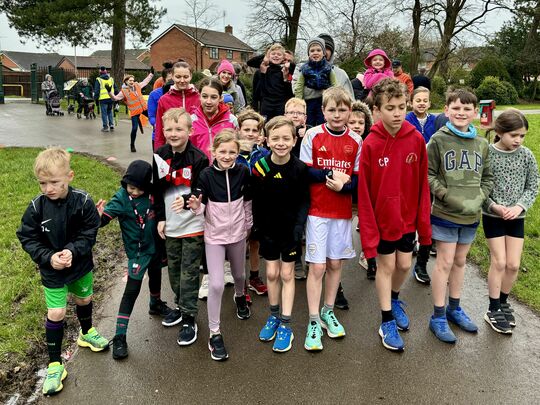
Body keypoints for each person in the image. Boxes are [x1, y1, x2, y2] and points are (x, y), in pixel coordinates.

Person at [17, 147, 108, 395]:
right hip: (52, 270)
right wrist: (48, 257)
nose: (48, 188)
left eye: (54, 182)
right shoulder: (36, 207)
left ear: (70, 176)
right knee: (56, 312)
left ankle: (86, 332)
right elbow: (26, 237)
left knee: (84, 299)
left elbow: (90, 231)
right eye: (42, 183)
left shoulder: (83, 201)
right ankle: (55, 363)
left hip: (79, 265)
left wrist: (72, 251)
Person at [357, 79, 431, 352]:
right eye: (390, 108)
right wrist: (368, 234)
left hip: (407, 221)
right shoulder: (371, 144)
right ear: (377, 110)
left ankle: (395, 298)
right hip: (382, 222)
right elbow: (364, 194)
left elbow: (423, 187)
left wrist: (424, 230)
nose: (397, 113)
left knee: (403, 266)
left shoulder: (416, 139)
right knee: (386, 268)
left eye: (402, 107)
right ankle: (386, 319)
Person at [427, 89, 493, 344]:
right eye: (456, 108)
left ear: (475, 113)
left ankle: (455, 308)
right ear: (446, 111)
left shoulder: (482, 144)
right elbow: (429, 174)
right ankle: (438, 315)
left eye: (467, 109)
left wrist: (480, 197)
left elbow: (487, 178)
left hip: (471, 215)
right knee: (444, 262)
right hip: (445, 213)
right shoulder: (438, 140)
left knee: (460, 262)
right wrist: (446, 195)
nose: (461, 113)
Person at [300, 87, 362, 351]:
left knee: (335, 264)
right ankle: (313, 320)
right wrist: (329, 175)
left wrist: (345, 188)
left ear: (350, 111)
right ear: (323, 110)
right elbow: (303, 170)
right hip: (317, 212)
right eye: (331, 110)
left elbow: (358, 179)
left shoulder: (357, 140)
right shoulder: (313, 136)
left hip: (342, 213)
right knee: (317, 267)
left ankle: (327, 311)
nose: (337, 115)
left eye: (342, 110)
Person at [96, 160, 172, 359]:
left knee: (156, 274)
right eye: (131, 188)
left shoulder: (153, 194)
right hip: (137, 253)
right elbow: (103, 220)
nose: (135, 192)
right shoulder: (121, 198)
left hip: (156, 247)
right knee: (132, 290)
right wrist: (98, 217)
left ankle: (155, 303)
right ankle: (120, 335)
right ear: (125, 184)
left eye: (140, 189)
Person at [187, 129, 252, 361]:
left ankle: (240, 296)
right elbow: (200, 204)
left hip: (237, 234)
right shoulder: (205, 175)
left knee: (239, 275)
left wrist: (248, 226)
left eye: (232, 152)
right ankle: (215, 333)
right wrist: (195, 206)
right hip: (214, 237)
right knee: (215, 285)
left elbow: (247, 201)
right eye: (222, 151)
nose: (227, 156)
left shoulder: (244, 172)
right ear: (213, 151)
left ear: (238, 152)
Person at [252, 116, 310, 353]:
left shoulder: (300, 169)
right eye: (275, 138)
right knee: (272, 273)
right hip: (268, 232)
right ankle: (273, 316)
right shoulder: (260, 167)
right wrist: (258, 229)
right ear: (266, 140)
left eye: (286, 138)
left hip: (290, 233)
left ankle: (286, 324)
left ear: (295, 140)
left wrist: (298, 228)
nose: (281, 142)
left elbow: (304, 201)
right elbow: (256, 200)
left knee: (287, 274)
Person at [153, 108, 209, 345]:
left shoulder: (199, 158)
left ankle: (189, 316)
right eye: (169, 129)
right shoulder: (159, 154)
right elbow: (157, 189)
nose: (173, 133)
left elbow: (201, 189)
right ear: (163, 130)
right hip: (171, 225)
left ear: (190, 130)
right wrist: (160, 218)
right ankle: (179, 304)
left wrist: (188, 201)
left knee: (189, 271)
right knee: (174, 270)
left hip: (193, 225)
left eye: (179, 129)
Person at [483, 109, 538, 334]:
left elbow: (533, 184)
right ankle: (493, 308)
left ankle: (504, 302)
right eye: (513, 135)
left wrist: (519, 207)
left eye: (522, 135)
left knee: (513, 264)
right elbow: (480, 186)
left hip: (517, 216)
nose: (518, 140)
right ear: (499, 131)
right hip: (493, 215)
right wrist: (494, 205)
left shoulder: (526, 155)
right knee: (499, 262)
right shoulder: (487, 153)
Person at [235, 109, 269, 298]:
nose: (250, 133)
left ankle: (255, 277)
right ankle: (242, 285)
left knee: (255, 243)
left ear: (260, 133)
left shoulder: (264, 154)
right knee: (240, 245)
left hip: (259, 205)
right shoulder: (231, 153)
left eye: (254, 130)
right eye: (246, 129)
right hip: (237, 206)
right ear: (239, 130)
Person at [406, 86, 438, 285]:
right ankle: (409, 245)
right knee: (410, 215)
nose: (422, 103)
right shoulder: (407, 119)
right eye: (418, 99)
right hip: (410, 174)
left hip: (431, 175)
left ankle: (422, 262)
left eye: (425, 100)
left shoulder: (435, 121)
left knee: (427, 218)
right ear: (411, 102)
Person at [347, 100, 373, 277]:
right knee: (343, 226)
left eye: (360, 123)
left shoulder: (369, 142)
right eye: (352, 122)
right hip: (347, 193)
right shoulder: (342, 141)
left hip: (365, 194)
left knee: (366, 225)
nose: (356, 126)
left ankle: (368, 256)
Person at [154, 61, 201, 151]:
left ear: (191, 76)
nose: (182, 80)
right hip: (173, 150)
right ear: (172, 76)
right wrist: (158, 153)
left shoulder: (199, 98)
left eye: (186, 77)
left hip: (197, 150)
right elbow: (159, 131)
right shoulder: (164, 100)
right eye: (178, 77)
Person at [190, 78, 238, 162]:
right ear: (199, 96)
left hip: (224, 169)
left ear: (220, 98)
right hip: (199, 171)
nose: (208, 101)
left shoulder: (231, 120)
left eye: (213, 97)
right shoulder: (192, 120)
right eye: (204, 96)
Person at [107, 69, 154, 152]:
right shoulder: (123, 92)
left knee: (155, 120)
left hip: (144, 109)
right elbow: (115, 98)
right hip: (134, 112)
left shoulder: (137, 86)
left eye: (133, 80)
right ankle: (132, 145)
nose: (132, 82)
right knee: (134, 129)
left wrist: (151, 74)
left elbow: (145, 82)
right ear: (126, 81)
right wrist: (109, 92)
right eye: (130, 80)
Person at [294, 37, 338, 127]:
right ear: (308, 53)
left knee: (323, 121)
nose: (315, 53)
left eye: (318, 50)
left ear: (323, 53)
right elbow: (299, 85)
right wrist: (299, 102)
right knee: (309, 122)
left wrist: (335, 99)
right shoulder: (305, 68)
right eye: (312, 51)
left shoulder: (328, 68)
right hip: (309, 100)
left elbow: (335, 85)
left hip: (323, 100)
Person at [257, 43, 295, 120]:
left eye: (279, 54)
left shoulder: (285, 70)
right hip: (266, 104)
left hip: (280, 104)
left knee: (280, 125)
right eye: (273, 54)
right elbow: (250, 62)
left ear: (283, 58)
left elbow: (293, 65)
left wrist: (285, 78)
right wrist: (266, 56)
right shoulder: (264, 68)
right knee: (265, 126)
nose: (276, 56)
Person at [148, 68, 173, 150]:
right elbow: (151, 116)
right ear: (164, 81)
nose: (172, 83)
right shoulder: (154, 94)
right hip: (159, 135)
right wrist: (157, 125)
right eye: (170, 80)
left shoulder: (182, 95)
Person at [94, 66, 118, 133]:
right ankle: (111, 125)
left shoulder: (98, 80)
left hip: (103, 99)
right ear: (106, 72)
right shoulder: (111, 79)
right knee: (110, 111)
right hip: (111, 98)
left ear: (100, 73)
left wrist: (96, 99)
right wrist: (117, 97)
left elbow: (97, 91)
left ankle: (105, 127)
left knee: (104, 113)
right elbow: (115, 89)